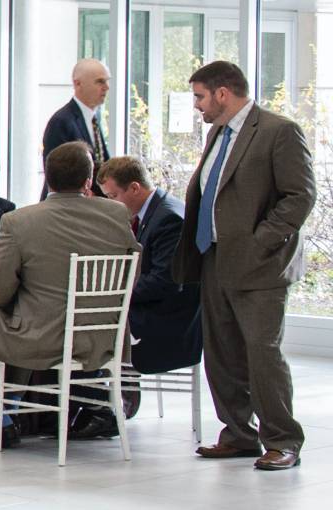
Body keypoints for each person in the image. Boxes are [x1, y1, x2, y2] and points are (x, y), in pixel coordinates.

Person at [0, 142, 137, 447]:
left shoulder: (20, 221)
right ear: (88, 182)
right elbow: (130, 273)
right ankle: (14, 407)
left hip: (40, 338)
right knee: (21, 319)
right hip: (104, 337)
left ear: (47, 176)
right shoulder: (116, 214)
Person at [174, 61, 316, 470]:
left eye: (200, 96)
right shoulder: (218, 132)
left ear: (222, 93)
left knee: (261, 353)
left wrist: (260, 242)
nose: (197, 106)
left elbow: (300, 197)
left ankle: (283, 439)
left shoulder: (278, 131)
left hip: (261, 265)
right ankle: (238, 434)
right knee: (222, 353)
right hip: (215, 258)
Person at [95, 156, 201, 374]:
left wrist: (115, 293)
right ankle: (100, 395)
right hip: (155, 310)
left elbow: (164, 281)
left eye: (113, 196)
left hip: (167, 322)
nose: (111, 204)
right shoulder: (157, 211)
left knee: (87, 324)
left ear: (134, 188)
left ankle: (97, 396)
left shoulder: (168, 219)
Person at [43, 59, 113, 167]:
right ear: (78, 84)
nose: (106, 87)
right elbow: (56, 173)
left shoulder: (93, 119)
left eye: (107, 81)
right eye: (100, 81)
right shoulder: (61, 122)